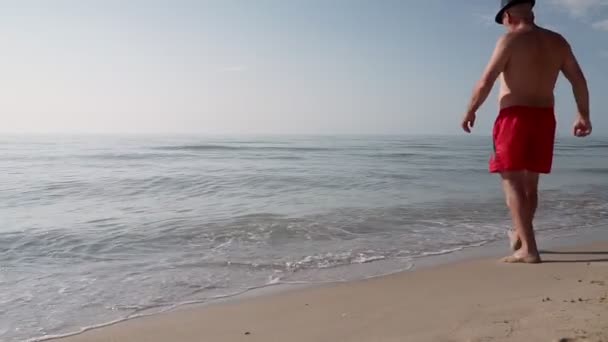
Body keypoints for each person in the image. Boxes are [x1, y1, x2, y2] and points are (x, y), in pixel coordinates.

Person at [461, 0, 592, 263]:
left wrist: (470, 110)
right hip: (544, 118)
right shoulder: (558, 41)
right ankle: (522, 237)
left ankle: (529, 250)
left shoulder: (510, 40)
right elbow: (578, 79)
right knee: (530, 186)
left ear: (507, 15)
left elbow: (486, 80)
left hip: (515, 118)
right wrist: (583, 114)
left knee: (511, 182)